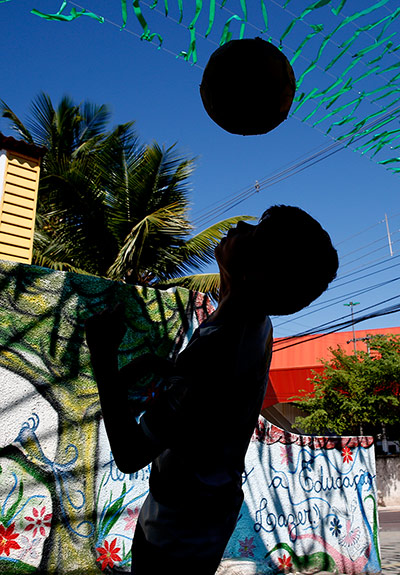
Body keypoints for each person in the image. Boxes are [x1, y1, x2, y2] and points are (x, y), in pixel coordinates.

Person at [85, 204, 338, 575]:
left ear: (257, 271)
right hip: (202, 515)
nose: (238, 225)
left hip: (176, 531)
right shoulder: (255, 325)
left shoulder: (219, 346)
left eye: (251, 232)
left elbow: (131, 453)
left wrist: (103, 357)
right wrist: (169, 373)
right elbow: (208, 403)